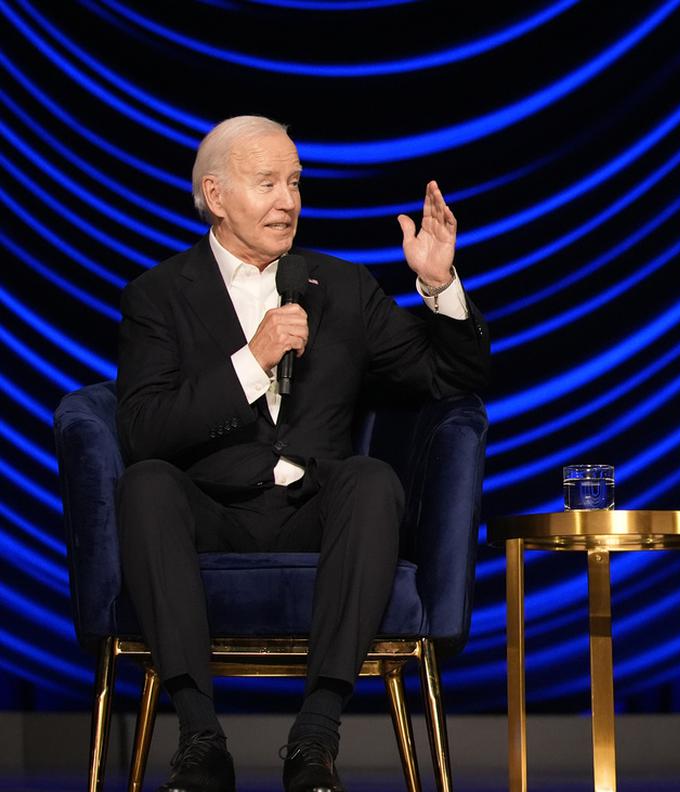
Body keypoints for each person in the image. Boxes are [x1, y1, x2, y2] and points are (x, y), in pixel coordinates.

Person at [116, 115, 491, 792]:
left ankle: (315, 736)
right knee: (144, 483)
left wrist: (438, 285)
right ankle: (201, 738)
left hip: (314, 512)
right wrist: (251, 361)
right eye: (267, 183)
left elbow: (449, 380)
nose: (288, 199)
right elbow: (143, 429)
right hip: (211, 512)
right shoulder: (160, 295)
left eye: (294, 182)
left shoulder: (341, 287)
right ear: (217, 194)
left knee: (372, 481)